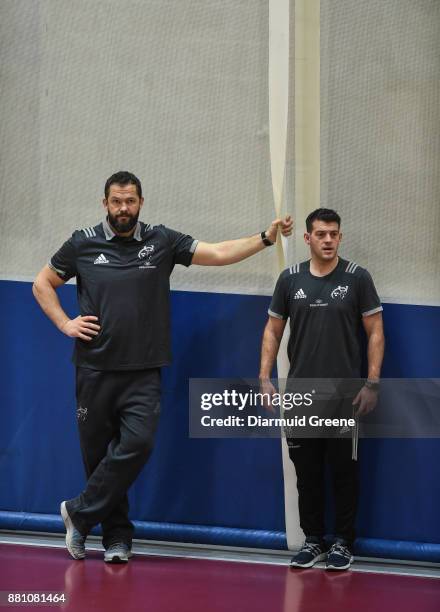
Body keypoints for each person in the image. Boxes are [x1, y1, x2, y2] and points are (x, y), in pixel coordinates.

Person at [32, 170, 292, 563]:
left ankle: (78, 513)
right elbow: (41, 283)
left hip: (143, 371)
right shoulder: (82, 243)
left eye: (130, 201)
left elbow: (218, 253)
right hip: (94, 370)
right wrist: (65, 323)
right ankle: (116, 538)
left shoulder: (161, 241)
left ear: (140, 202)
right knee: (98, 458)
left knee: (137, 445)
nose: (124, 208)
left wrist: (265, 238)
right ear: (105, 203)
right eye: (116, 201)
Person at [259, 207, 384, 571]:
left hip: (345, 396)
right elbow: (272, 330)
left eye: (333, 234)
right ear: (308, 238)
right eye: (321, 234)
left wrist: (373, 383)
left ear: (340, 237)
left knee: (344, 472)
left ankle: (344, 542)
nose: (328, 240)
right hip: (300, 396)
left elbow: (375, 332)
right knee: (307, 473)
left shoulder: (358, 278)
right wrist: (265, 377)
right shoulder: (290, 279)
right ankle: (313, 539)